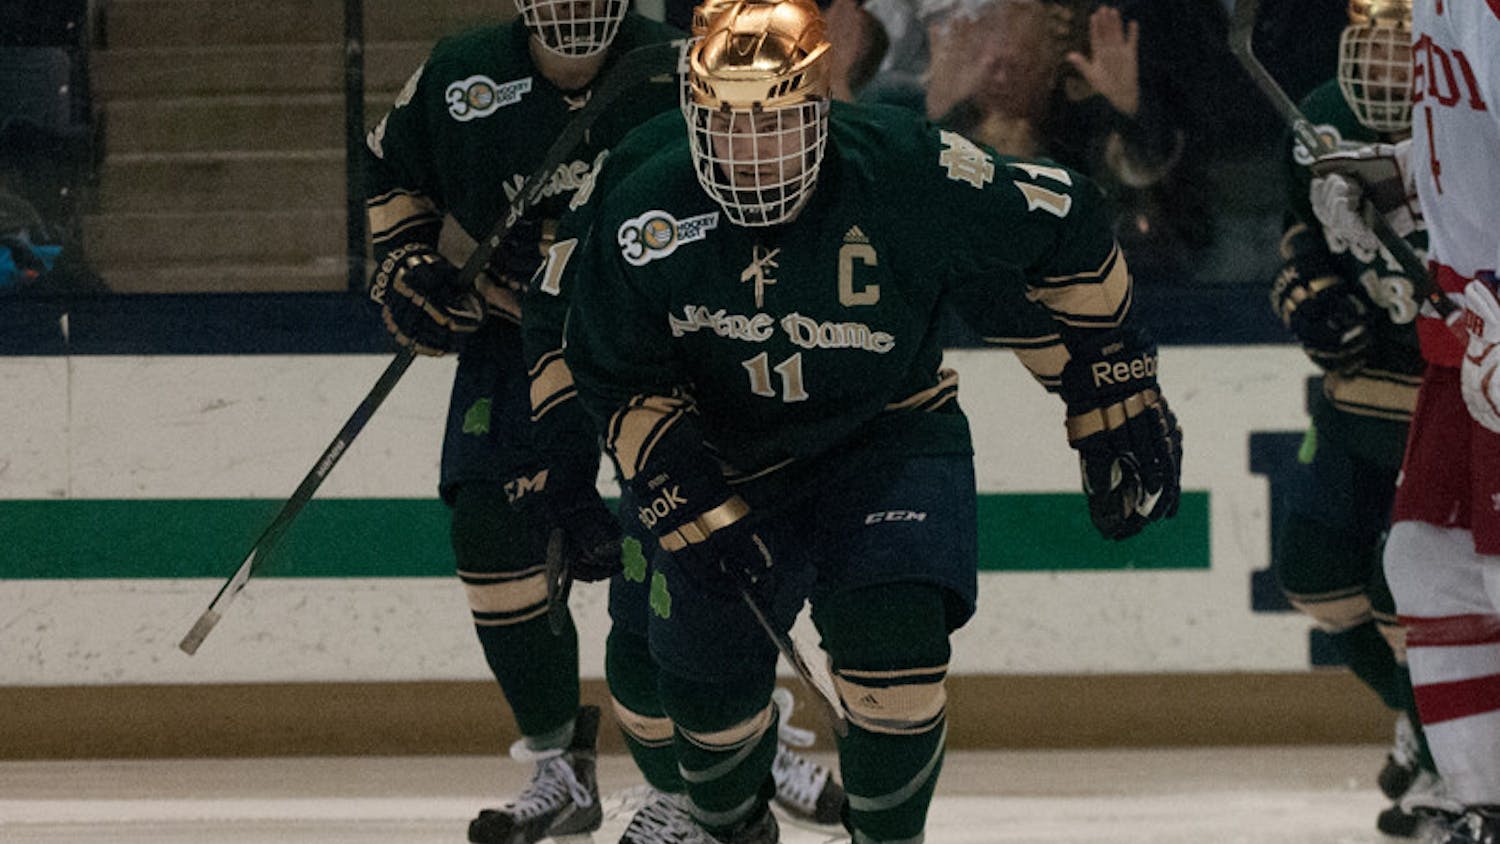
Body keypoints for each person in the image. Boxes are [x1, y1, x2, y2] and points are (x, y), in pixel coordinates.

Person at [557, 1, 1183, 841]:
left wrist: (1116, 381)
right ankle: (733, 825)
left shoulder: (906, 167)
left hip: (886, 438)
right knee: (708, 706)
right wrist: (677, 489)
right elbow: (612, 368)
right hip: (723, 453)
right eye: (726, 126)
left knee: (897, 663)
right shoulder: (645, 205)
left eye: (775, 123)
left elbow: (1064, 218)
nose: (750, 153)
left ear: (820, 108)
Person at [362, 3, 682, 842]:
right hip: (511, 336)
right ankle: (559, 765)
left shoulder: (678, 65)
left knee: (686, 535)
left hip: (655, 343)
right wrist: (407, 264)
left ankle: (708, 763)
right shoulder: (458, 70)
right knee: (491, 533)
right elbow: (393, 171)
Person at [1266, 0, 1438, 836]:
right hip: (1356, 394)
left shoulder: (1476, 117)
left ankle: (1447, 758)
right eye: (1373, 47)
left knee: (1408, 593)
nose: (1386, 69)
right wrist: (1309, 287)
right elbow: (1298, 229)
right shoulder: (1319, 115)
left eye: (1405, 49)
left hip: (1449, 397)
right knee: (1313, 573)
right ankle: (1419, 718)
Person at [1351, 0, 1500, 839]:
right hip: (1466, 321)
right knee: (1428, 560)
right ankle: (1483, 801)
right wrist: (1398, 173)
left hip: (1496, 309)